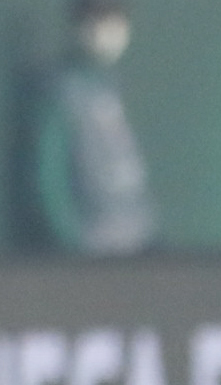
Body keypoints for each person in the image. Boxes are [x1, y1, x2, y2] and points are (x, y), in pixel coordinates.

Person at [31, 0, 155, 256]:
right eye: (100, 18)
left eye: (116, 17)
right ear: (80, 24)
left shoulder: (110, 86)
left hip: (137, 243)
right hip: (96, 250)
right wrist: (74, 242)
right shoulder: (62, 93)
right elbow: (49, 179)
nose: (110, 29)